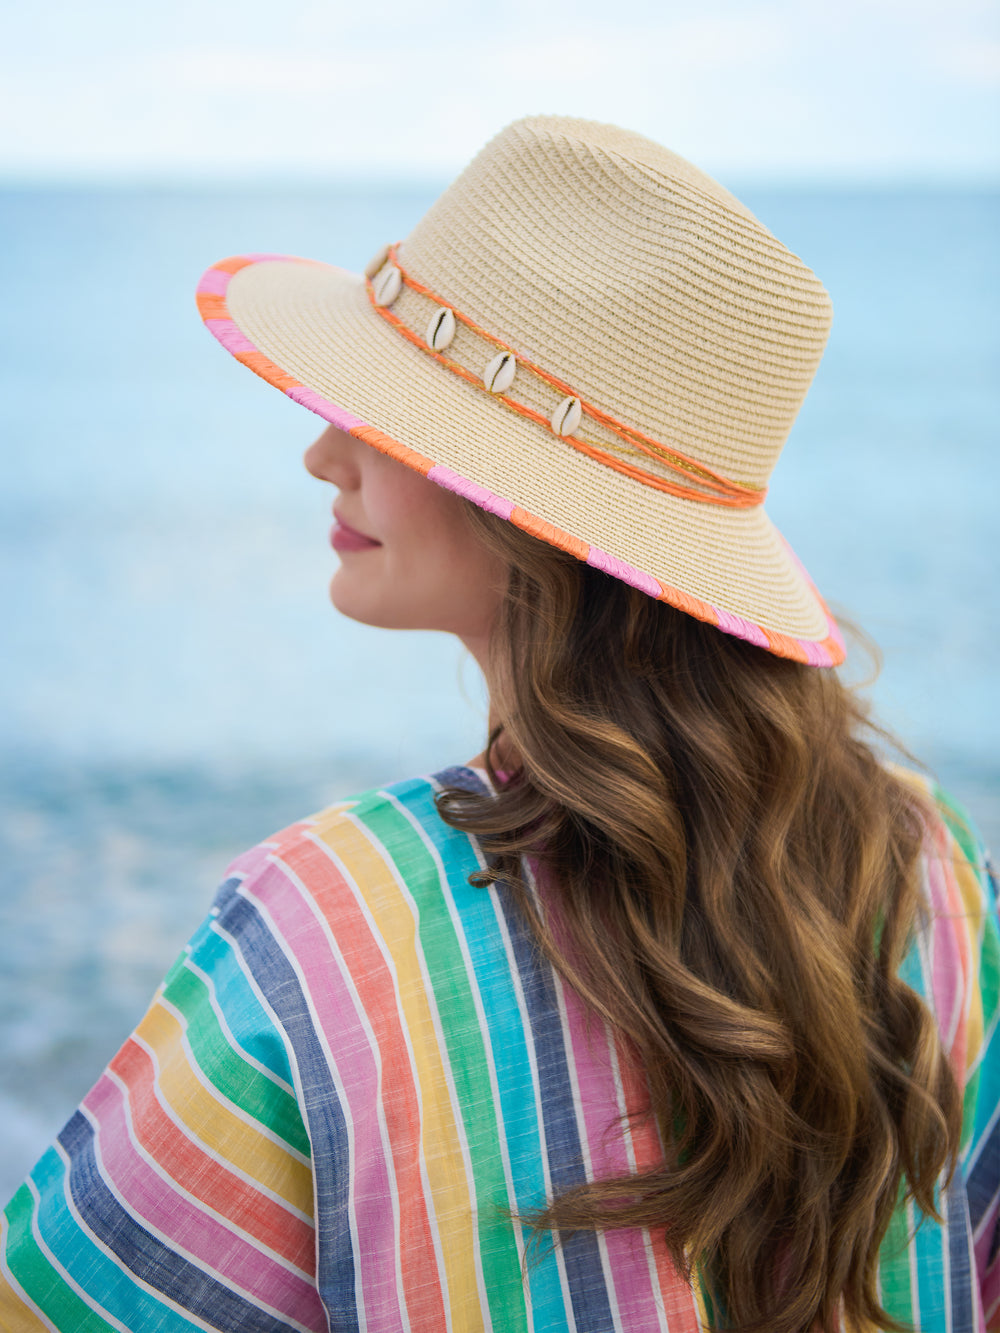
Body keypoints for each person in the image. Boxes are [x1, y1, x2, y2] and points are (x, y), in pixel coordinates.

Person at [0, 116, 996, 1333]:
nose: (322, 453)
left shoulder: (329, 934)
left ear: (530, 508)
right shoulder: (935, 874)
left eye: (389, 414)